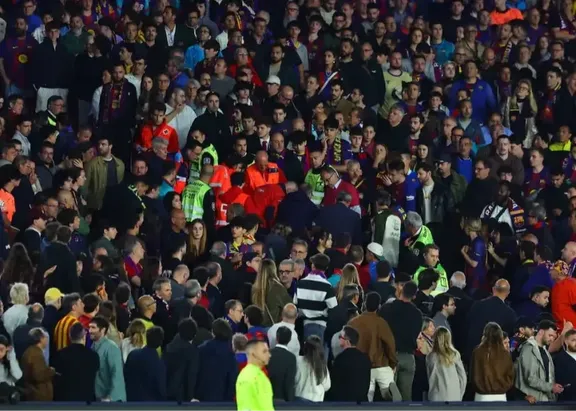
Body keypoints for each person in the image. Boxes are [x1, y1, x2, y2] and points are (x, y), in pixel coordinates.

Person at [349, 292, 398, 402]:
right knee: (392, 399)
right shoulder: (381, 323)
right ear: (379, 306)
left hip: (361, 368)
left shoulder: (353, 323)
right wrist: (393, 363)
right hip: (382, 366)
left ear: (364, 304)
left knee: (366, 399)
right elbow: (390, 344)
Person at [379, 281, 423, 401]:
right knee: (406, 396)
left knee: (389, 396)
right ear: (414, 296)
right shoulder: (417, 314)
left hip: (389, 357)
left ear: (401, 291)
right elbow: (416, 334)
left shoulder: (386, 309)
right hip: (408, 357)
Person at [294, 253, 338, 342]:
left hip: (300, 326)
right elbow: (334, 309)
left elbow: (294, 304)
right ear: (326, 268)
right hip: (320, 327)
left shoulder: (300, 283)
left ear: (312, 266)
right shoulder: (327, 286)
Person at [515, 320, 562, 402]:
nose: (552, 339)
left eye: (554, 337)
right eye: (550, 335)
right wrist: (551, 387)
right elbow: (530, 378)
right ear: (541, 332)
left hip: (545, 400)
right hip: (533, 402)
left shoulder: (545, 351)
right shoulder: (528, 348)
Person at [53, 322, 100, 401]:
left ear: (70, 336)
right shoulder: (93, 356)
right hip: (87, 400)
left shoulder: (60, 354)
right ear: (84, 337)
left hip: (65, 400)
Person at [471, 322, 515, 402]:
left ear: (485, 334)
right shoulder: (505, 353)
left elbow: (473, 374)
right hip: (500, 396)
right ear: (500, 335)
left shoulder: (477, 352)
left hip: (481, 396)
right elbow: (510, 375)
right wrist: (503, 387)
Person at [196, 318, 237, 401]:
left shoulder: (202, 349)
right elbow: (233, 378)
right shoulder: (231, 352)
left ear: (213, 332)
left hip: (203, 396)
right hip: (224, 398)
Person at [90, 316, 126, 402]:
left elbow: (116, 373)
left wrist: (111, 397)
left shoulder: (111, 347)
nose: (89, 330)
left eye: (93, 328)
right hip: (98, 397)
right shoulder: (92, 346)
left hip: (110, 400)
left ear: (103, 330)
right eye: (89, 327)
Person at [125, 326, 166, 401]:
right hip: (149, 403)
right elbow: (161, 389)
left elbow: (125, 376)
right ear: (161, 342)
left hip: (131, 400)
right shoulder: (159, 363)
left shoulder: (133, 355)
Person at [426, 326, 466, 402]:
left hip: (436, 397)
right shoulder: (455, 354)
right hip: (454, 396)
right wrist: (459, 394)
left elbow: (430, 378)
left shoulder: (430, 357)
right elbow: (463, 377)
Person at [164, 318, 200, 402]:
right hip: (182, 396)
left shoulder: (168, 347)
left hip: (167, 393)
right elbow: (191, 375)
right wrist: (190, 397)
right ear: (193, 334)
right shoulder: (192, 351)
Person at [236, 338, 274, 411]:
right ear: (253, 354)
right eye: (264, 351)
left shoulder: (258, 374)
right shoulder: (250, 376)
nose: (269, 355)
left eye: (268, 351)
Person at [20, 328, 54, 401]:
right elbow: (39, 375)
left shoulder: (32, 351)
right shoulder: (35, 354)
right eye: (45, 337)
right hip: (38, 396)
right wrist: (51, 371)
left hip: (36, 395)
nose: (47, 340)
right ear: (41, 339)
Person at [294, 335, 331, 402]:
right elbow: (327, 385)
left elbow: (295, 379)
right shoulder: (322, 364)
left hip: (300, 399)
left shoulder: (298, 360)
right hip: (317, 401)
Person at [267, 326, 297, 401]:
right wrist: (290, 402)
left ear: (277, 338)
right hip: (282, 400)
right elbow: (289, 383)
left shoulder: (267, 354)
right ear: (289, 340)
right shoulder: (291, 358)